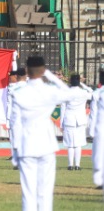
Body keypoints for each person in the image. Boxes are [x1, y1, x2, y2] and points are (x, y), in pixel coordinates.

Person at [11, 56, 89, 211]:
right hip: (46, 143)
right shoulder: (50, 90)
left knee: (28, 192)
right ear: (42, 70)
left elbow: (16, 123)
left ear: (27, 70)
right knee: (45, 192)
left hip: (27, 144)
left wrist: (15, 151)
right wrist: (52, 76)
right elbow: (70, 93)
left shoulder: (18, 92)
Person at [60, 74, 92, 171]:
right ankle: (77, 165)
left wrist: (61, 123)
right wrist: (82, 84)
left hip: (69, 119)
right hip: (80, 120)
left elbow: (63, 108)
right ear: (78, 82)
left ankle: (70, 165)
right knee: (78, 144)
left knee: (70, 144)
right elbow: (91, 92)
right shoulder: (83, 92)